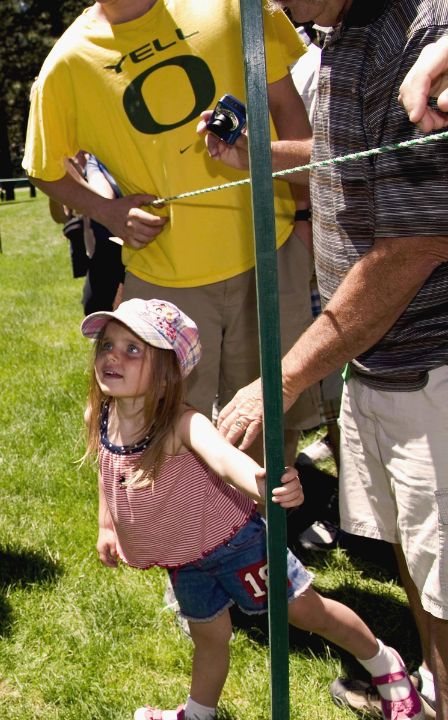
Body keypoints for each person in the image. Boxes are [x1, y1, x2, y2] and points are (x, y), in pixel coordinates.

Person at [212, 1, 448, 717]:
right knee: (418, 560)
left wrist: (281, 377)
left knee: (443, 570)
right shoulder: (345, 34)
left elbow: (418, 242)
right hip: (378, 362)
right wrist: (255, 152)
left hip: (430, 371)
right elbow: (342, 156)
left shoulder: (421, 34)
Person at [82, 298, 423, 720]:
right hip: (185, 559)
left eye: (133, 349)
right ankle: (199, 714)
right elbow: (106, 468)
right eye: (107, 345)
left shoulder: (181, 424)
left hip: (236, 545)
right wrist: (107, 524)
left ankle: (386, 667)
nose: (112, 355)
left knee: (306, 612)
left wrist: (264, 483)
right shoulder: (103, 414)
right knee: (209, 639)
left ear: (168, 373)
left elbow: (225, 460)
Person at [24, 0, 320, 465]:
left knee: (268, 421)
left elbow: (284, 104)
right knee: (164, 432)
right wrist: (109, 212)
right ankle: (190, 534)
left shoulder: (229, 5)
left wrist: (302, 213)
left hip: (269, 248)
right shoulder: (68, 62)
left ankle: (263, 533)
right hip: (166, 279)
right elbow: (42, 167)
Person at [47, 151, 124, 315]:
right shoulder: (67, 161)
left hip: (127, 248)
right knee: (93, 309)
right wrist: (57, 183)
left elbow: (105, 199)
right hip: (100, 251)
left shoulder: (100, 159)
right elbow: (60, 216)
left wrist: (77, 180)